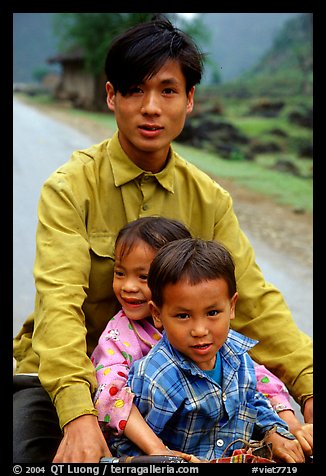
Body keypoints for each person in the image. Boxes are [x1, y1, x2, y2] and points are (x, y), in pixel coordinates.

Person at [13, 15, 312, 463]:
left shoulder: (209, 200)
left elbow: (252, 300)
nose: (151, 107)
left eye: (168, 91)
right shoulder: (70, 188)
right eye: (135, 90)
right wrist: (78, 416)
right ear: (111, 96)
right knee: (33, 456)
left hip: (184, 377)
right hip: (70, 379)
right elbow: (58, 303)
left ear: (189, 100)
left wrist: (308, 385)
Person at [110, 238, 311, 463]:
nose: (199, 330)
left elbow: (252, 400)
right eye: (183, 316)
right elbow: (128, 446)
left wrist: (274, 431)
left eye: (213, 312)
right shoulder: (159, 378)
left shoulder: (237, 354)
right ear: (157, 314)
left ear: (232, 306)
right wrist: (166, 459)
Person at [90, 216, 192, 457]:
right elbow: (108, 394)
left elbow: (246, 370)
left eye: (143, 277)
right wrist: (157, 450)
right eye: (120, 273)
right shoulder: (118, 335)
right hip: (139, 450)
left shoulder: (196, 322)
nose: (128, 286)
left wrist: (286, 423)